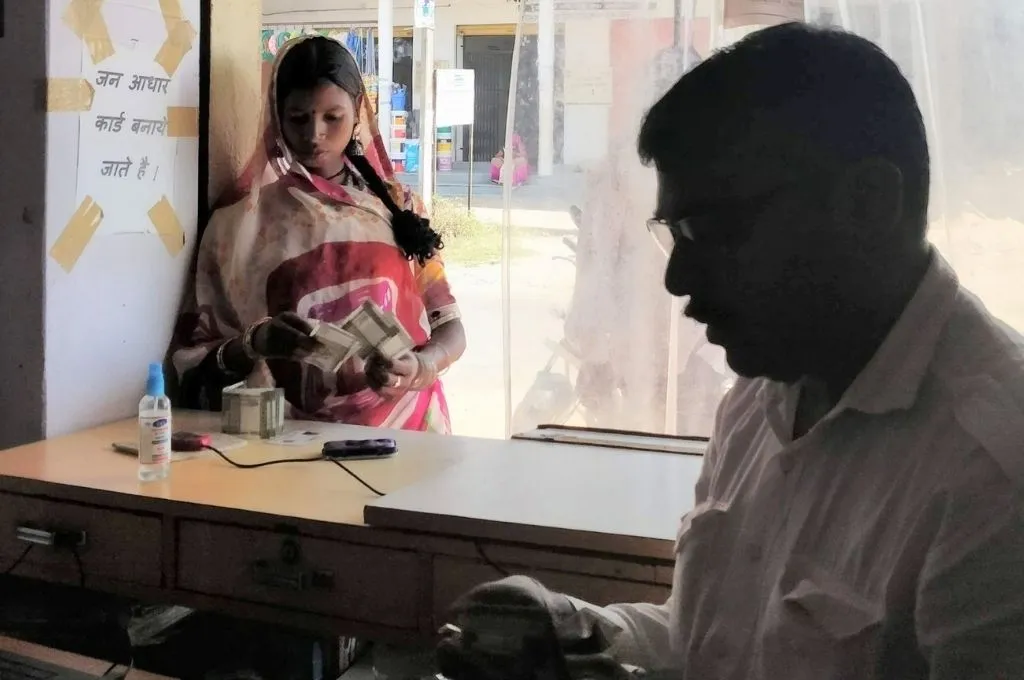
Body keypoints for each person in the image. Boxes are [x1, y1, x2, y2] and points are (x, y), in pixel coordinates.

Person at [438, 22, 1024, 680]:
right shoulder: (763, 394)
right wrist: (576, 629)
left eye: (711, 230)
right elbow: (718, 638)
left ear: (866, 204)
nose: (676, 279)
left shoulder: (993, 472)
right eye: (674, 232)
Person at [170, 35, 466, 433]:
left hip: (406, 433)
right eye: (298, 118)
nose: (314, 134)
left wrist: (420, 366)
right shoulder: (240, 224)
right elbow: (192, 362)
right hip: (286, 443)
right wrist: (255, 344)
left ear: (359, 111)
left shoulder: (398, 208)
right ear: (277, 117)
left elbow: (450, 327)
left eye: (333, 117)